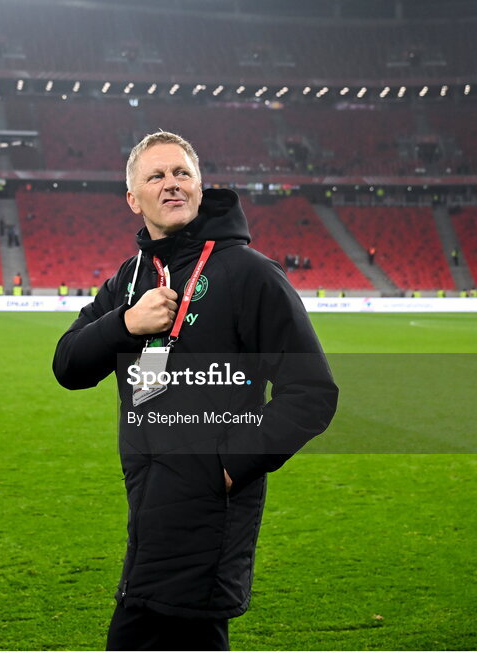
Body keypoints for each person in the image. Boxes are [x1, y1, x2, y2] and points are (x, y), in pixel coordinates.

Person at [53, 132, 338, 650]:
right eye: (156, 176)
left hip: (208, 516)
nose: (171, 184)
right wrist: (126, 323)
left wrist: (225, 466)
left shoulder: (250, 274)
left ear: (201, 189)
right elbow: (69, 365)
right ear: (133, 199)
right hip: (148, 505)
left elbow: (312, 392)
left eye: (182, 173)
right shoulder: (132, 277)